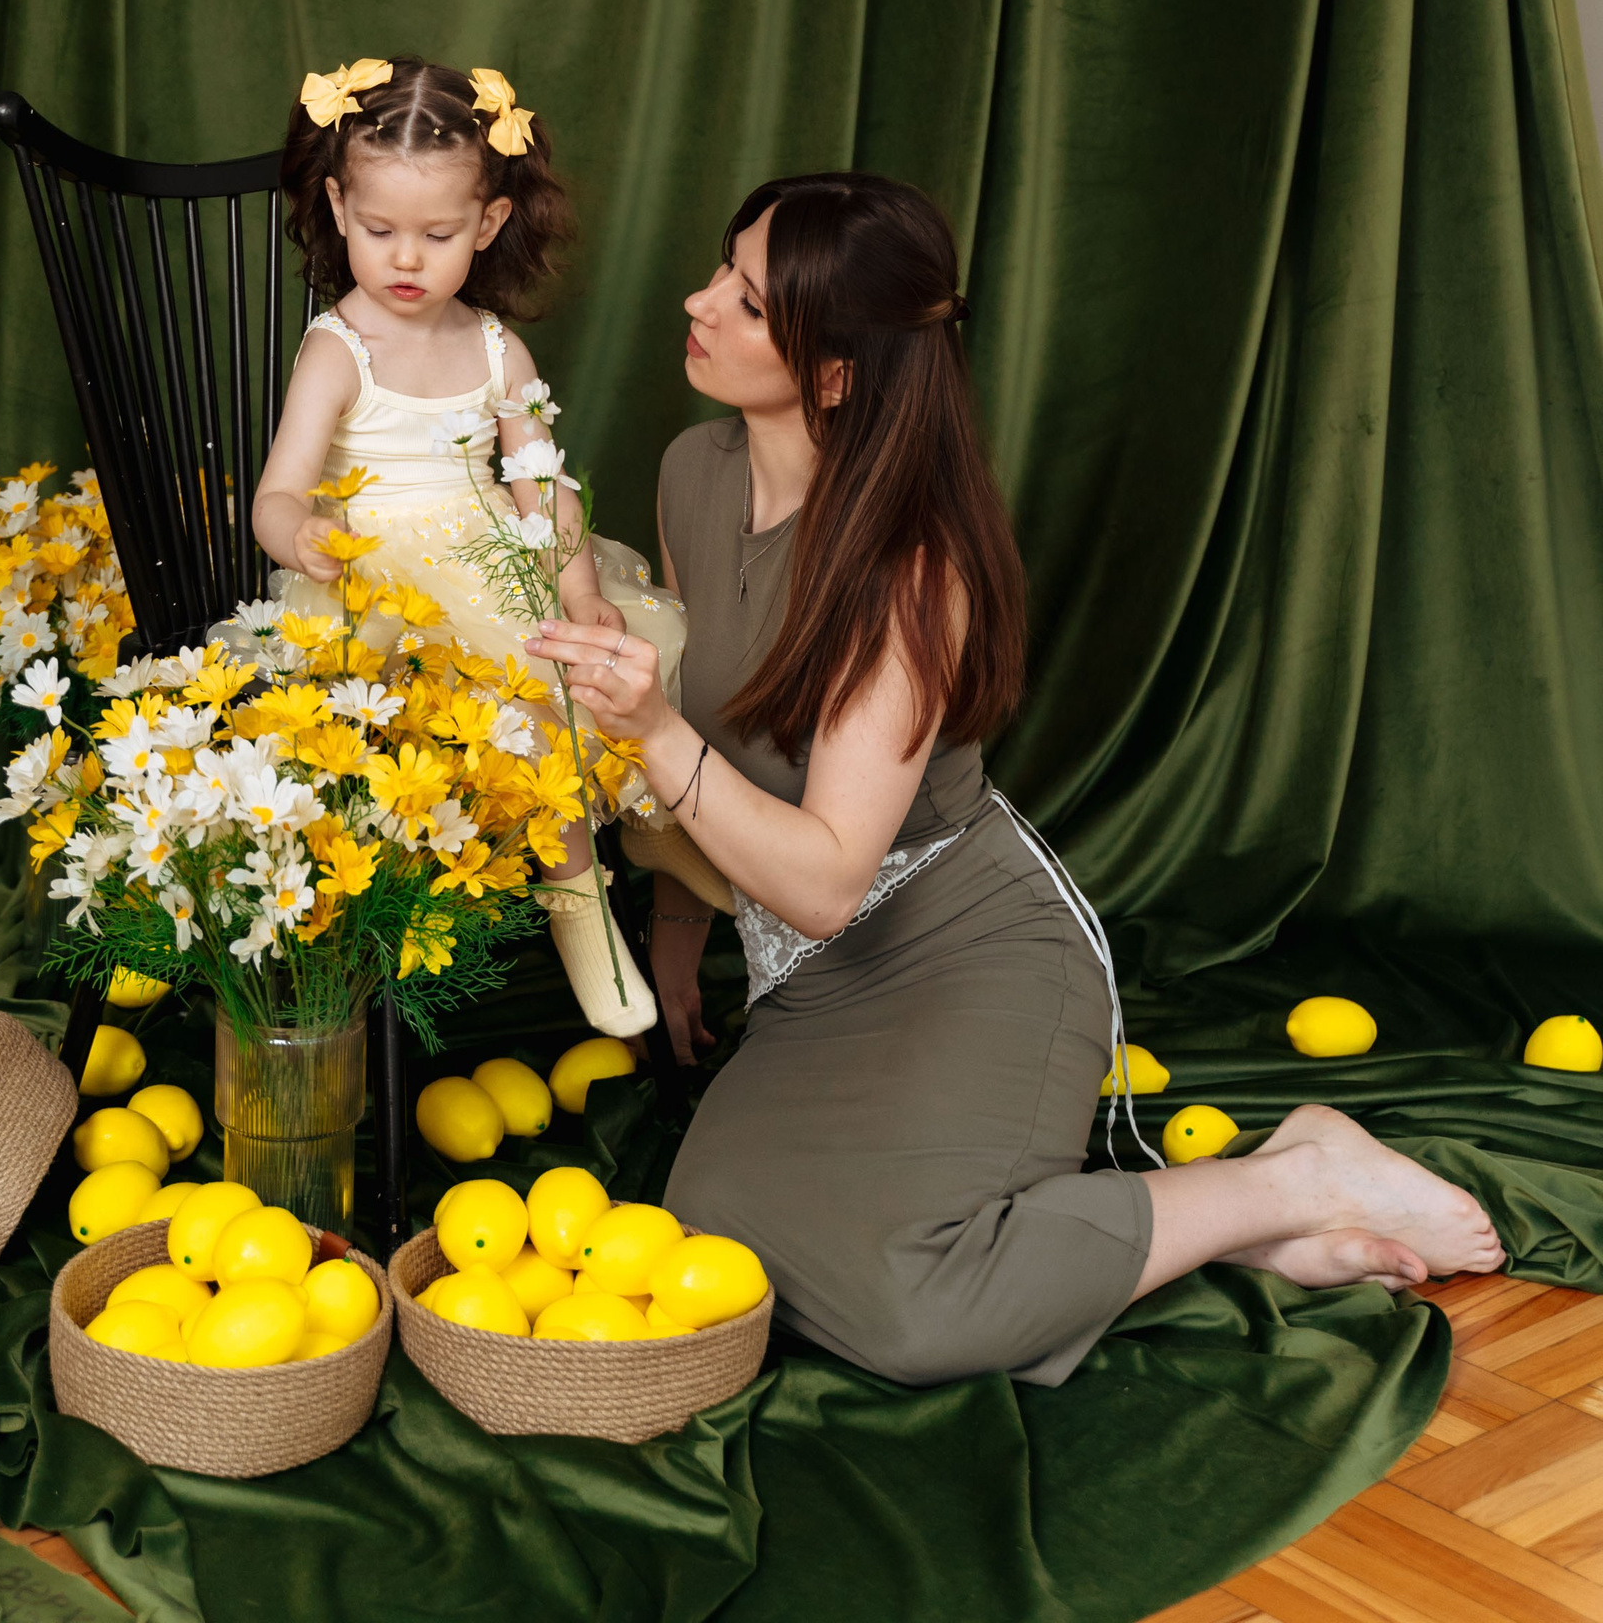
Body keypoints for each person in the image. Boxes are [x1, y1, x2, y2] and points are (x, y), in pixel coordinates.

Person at [528, 173, 1503, 1386]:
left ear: (834, 373)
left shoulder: (908, 569)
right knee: (721, 1241)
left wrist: (652, 731)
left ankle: (1286, 1182)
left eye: (749, 301)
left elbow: (825, 877)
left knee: (915, 1316)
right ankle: (1221, 1235)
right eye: (724, 270)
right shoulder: (694, 470)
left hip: (968, 950)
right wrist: (679, 933)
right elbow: (726, 741)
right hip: (812, 977)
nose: (700, 301)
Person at [252, 55, 684, 1038]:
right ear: (338, 206)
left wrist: (580, 589)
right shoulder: (337, 349)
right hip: (378, 590)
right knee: (472, 730)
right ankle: (539, 918)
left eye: (437, 235)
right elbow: (277, 492)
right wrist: (300, 532)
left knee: (571, 694)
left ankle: (609, 875)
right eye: (379, 231)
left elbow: (541, 486)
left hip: (491, 570)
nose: (405, 259)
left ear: (487, 224)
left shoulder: (497, 349)